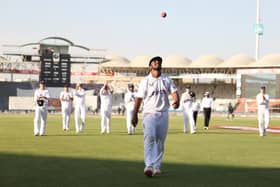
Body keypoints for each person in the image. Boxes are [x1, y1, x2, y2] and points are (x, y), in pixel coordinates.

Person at [132, 56, 179, 177]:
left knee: (160, 141)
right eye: (154, 61)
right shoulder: (145, 81)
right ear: (150, 66)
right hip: (149, 113)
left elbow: (174, 92)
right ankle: (148, 165)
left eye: (159, 61)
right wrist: (134, 114)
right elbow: (139, 98)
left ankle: (157, 166)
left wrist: (176, 100)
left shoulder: (166, 79)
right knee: (149, 137)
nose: (157, 62)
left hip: (163, 113)